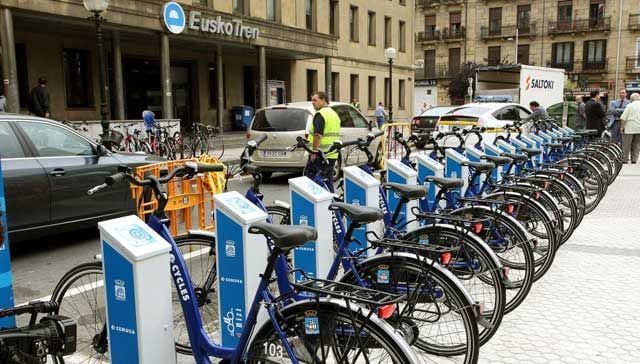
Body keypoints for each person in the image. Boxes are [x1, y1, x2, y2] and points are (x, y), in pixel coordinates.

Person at [307, 91, 341, 191]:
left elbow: (317, 136)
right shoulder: (334, 114)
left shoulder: (320, 114)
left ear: (323, 100)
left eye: (315, 100)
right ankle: (332, 203)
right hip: (332, 154)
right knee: (327, 181)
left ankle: (318, 204)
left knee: (312, 181)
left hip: (320, 155)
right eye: (311, 100)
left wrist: (314, 152)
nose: (312, 102)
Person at [620, 92, 640, 164]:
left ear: (631, 99)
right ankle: (634, 159)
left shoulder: (630, 105)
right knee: (636, 145)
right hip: (639, 128)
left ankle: (625, 159)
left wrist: (622, 127)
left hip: (629, 128)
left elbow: (623, 117)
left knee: (626, 145)